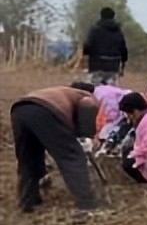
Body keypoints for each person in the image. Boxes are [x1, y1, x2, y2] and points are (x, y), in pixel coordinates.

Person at [10, 82, 101, 214]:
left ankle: (28, 202)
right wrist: (86, 137)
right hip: (45, 110)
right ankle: (87, 204)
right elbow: (86, 118)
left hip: (19, 111)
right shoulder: (86, 96)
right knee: (73, 157)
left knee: (29, 160)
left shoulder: (62, 93)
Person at [83, 7, 128, 84]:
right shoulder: (118, 31)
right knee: (111, 92)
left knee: (95, 91)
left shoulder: (95, 30)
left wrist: (86, 54)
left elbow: (88, 46)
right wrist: (123, 65)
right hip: (113, 66)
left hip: (96, 65)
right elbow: (123, 50)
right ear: (113, 16)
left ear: (101, 16)